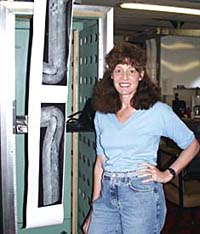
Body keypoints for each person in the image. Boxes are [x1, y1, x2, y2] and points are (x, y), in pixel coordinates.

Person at [83, 42, 199, 234]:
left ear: (141, 75)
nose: (125, 77)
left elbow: (192, 145)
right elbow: (100, 163)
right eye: (118, 70)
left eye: (131, 70)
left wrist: (167, 174)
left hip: (139, 192)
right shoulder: (102, 114)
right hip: (107, 191)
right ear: (111, 75)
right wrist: (94, 207)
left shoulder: (157, 111)